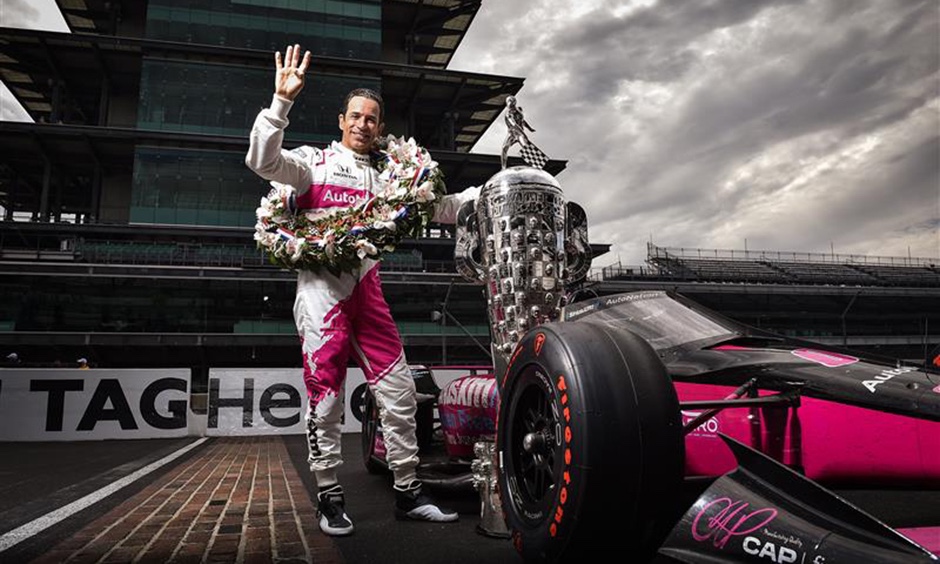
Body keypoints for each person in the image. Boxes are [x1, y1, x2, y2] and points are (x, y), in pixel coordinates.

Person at [246, 44, 479, 536]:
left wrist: (489, 194)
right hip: (321, 294)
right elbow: (262, 160)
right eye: (355, 116)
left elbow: (439, 207)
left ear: (380, 126)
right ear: (341, 120)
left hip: (367, 292)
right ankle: (329, 496)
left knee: (399, 391)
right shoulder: (312, 163)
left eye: (372, 118)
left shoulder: (389, 176)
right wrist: (282, 101)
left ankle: (408, 491)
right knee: (326, 396)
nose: (363, 124)